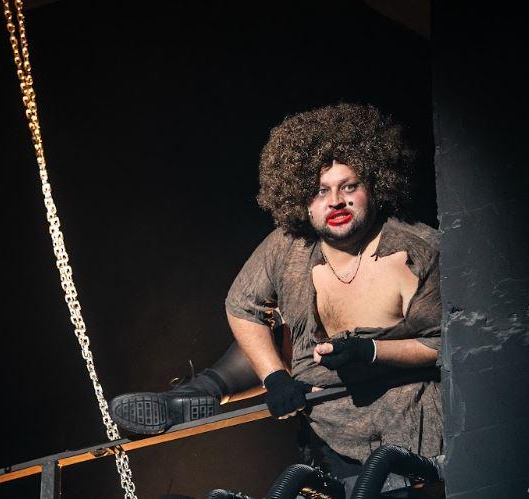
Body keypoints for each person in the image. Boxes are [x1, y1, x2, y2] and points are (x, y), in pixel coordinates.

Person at [111, 103, 442, 494]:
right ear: (300, 198)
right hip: (328, 434)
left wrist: (370, 351)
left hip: (407, 435)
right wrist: (275, 376)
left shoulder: (417, 250)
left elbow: (444, 343)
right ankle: (197, 393)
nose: (335, 201)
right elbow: (242, 306)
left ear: (374, 185)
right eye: (320, 191)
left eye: (349, 186)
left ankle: (203, 389)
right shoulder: (287, 247)